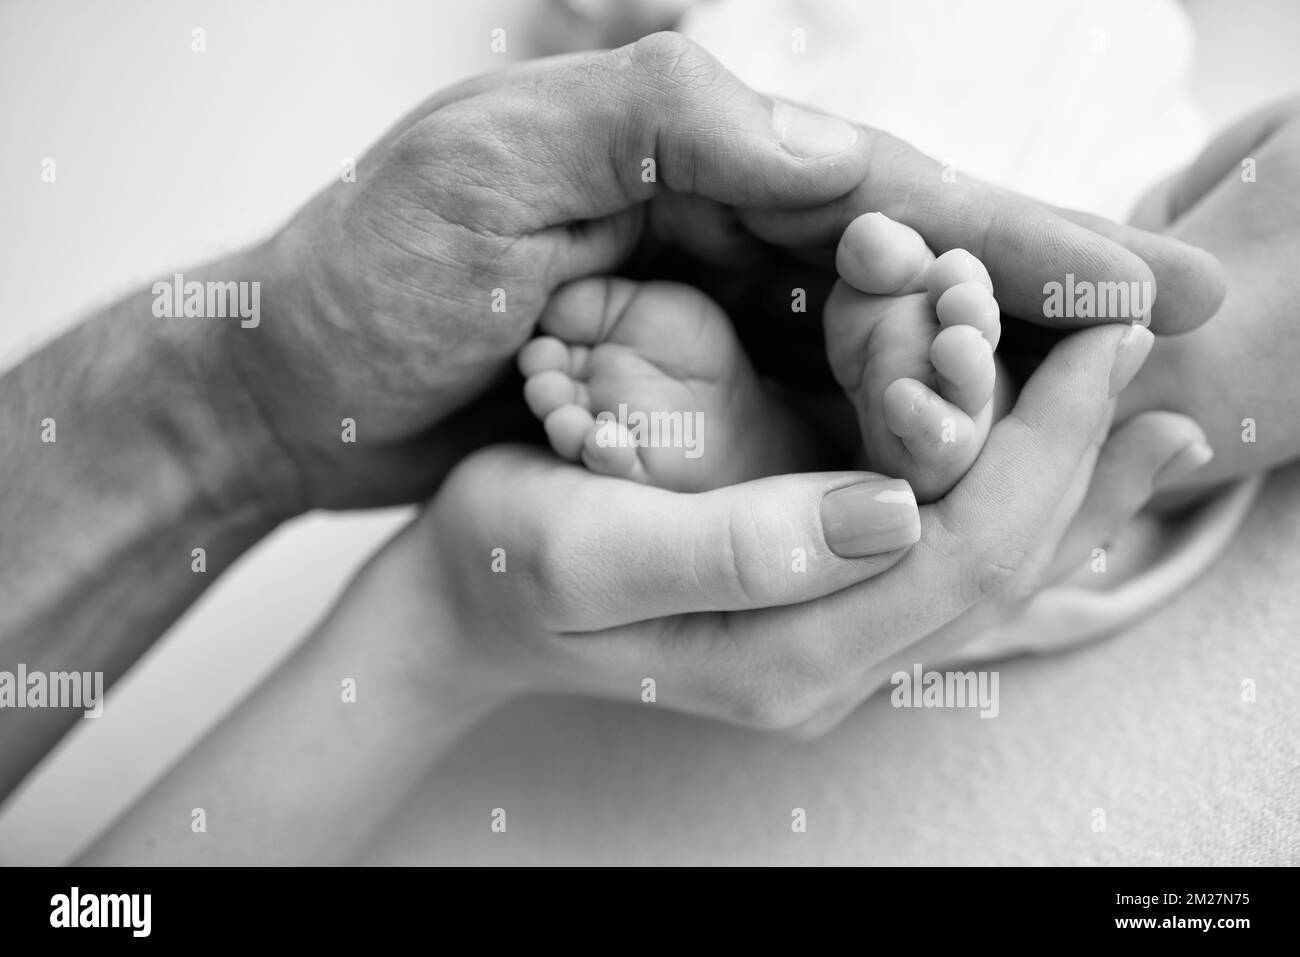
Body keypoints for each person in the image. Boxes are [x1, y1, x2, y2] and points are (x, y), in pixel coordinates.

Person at [0, 26, 1233, 860]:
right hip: (834, 186)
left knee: (1100, 310)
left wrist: (254, 394)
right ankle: (840, 425)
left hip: (827, 201)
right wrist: (437, 622)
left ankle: (838, 421)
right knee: (1141, 313)